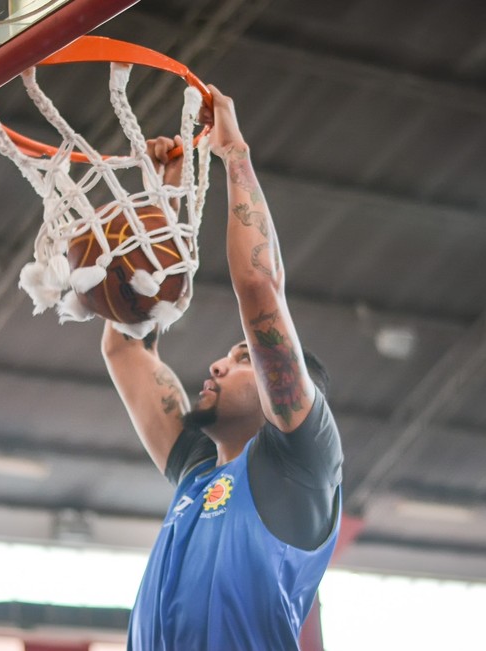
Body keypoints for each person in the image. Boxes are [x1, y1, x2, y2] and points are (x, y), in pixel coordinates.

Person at [101, 86, 344, 650]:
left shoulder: (301, 463)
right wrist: (160, 203)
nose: (216, 364)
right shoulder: (196, 469)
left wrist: (233, 153)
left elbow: (260, 287)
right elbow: (124, 348)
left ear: (278, 391)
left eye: (242, 358)